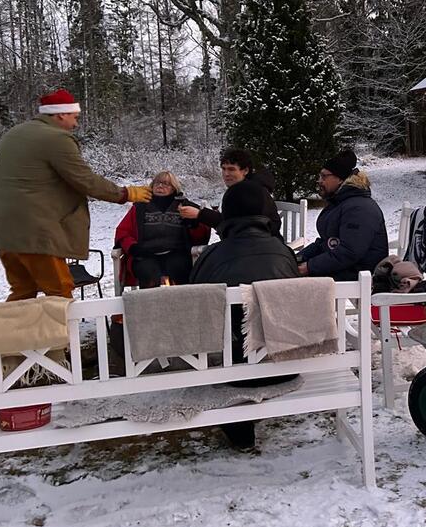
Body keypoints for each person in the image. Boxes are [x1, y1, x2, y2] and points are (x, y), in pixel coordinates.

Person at [0, 88, 151, 301]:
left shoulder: (14, 134)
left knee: (23, 291)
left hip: (4, 231)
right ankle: (62, 326)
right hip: (34, 232)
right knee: (60, 291)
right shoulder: (56, 138)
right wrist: (126, 193)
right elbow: (85, 180)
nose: (76, 124)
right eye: (74, 117)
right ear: (61, 114)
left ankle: (15, 325)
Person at [189, 180, 299, 449]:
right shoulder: (283, 252)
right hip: (285, 365)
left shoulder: (211, 256)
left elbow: (195, 313)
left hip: (233, 373)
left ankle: (239, 429)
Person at [298, 149, 388, 281]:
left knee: (294, 285)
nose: (319, 181)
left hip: (359, 278)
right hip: (344, 270)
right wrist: (298, 258)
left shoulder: (359, 209)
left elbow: (349, 252)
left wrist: (309, 267)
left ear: (340, 179)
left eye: (324, 176)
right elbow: (326, 243)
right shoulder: (341, 203)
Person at [114, 171, 211, 288]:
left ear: (173, 188)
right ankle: (149, 299)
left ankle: (181, 298)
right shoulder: (140, 207)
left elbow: (202, 235)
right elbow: (123, 231)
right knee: (147, 271)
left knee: (179, 268)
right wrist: (133, 247)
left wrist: (193, 224)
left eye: (165, 183)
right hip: (146, 254)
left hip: (177, 253)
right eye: (157, 183)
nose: (160, 186)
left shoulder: (185, 206)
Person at [179, 148, 281, 237]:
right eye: (223, 169)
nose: (226, 174)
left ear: (245, 171)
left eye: (231, 169)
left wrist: (200, 214)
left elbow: (237, 227)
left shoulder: (251, 192)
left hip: (258, 246)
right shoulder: (244, 188)